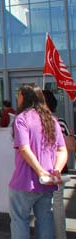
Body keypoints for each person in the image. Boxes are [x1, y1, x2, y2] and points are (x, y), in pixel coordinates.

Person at [9, 85, 67, 239]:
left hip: (25, 182)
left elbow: (24, 148)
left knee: (20, 220)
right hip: (47, 182)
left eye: (18, 95)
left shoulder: (21, 119)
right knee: (45, 219)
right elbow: (62, 150)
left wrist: (40, 171)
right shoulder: (52, 120)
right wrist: (56, 170)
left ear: (24, 97)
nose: (17, 98)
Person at [43, 89, 74, 239]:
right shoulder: (60, 122)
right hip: (58, 170)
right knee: (57, 205)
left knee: (44, 207)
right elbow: (71, 145)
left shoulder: (30, 123)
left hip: (42, 171)